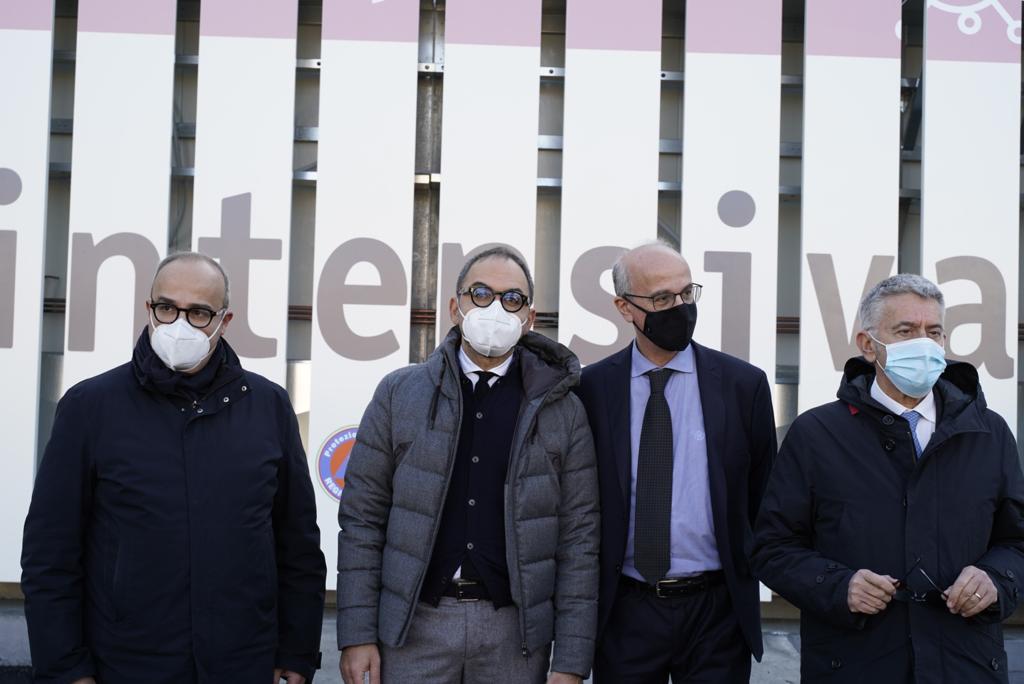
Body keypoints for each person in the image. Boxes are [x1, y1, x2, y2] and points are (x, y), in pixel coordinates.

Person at [21, 251, 327, 684]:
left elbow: (298, 545)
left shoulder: (268, 406)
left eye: (198, 312)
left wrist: (297, 651)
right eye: (167, 307)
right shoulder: (90, 407)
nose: (179, 324)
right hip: (126, 664)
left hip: (242, 663)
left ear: (224, 320)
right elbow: (50, 553)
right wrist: (66, 669)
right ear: (149, 309)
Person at [337, 246, 599, 684]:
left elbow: (579, 538)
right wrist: (357, 633)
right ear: (454, 307)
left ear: (529, 318)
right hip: (413, 630)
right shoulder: (398, 394)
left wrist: (571, 661)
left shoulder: (562, 411)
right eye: (481, 293)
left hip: (514, 637)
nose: (495, 308)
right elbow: (362, 519)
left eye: (511, 299)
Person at [752, 273, 1024, 682]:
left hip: (964, 665)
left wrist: (995, 579)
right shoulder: (817, 435)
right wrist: (838, 586)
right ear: (868, 345)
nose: (924, 343)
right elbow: (772, 548)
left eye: (934, 332)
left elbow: (1016, 542)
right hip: (855, 665)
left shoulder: (988, 432)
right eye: (905, 331)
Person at [575, 242, 776, 683]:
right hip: (626, 609)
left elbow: (762, 496)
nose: (680, 307)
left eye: (687, 293)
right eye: (663, 298)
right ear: (624, 308)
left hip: (717, 611)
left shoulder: (744, 386)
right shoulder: (591, 390)